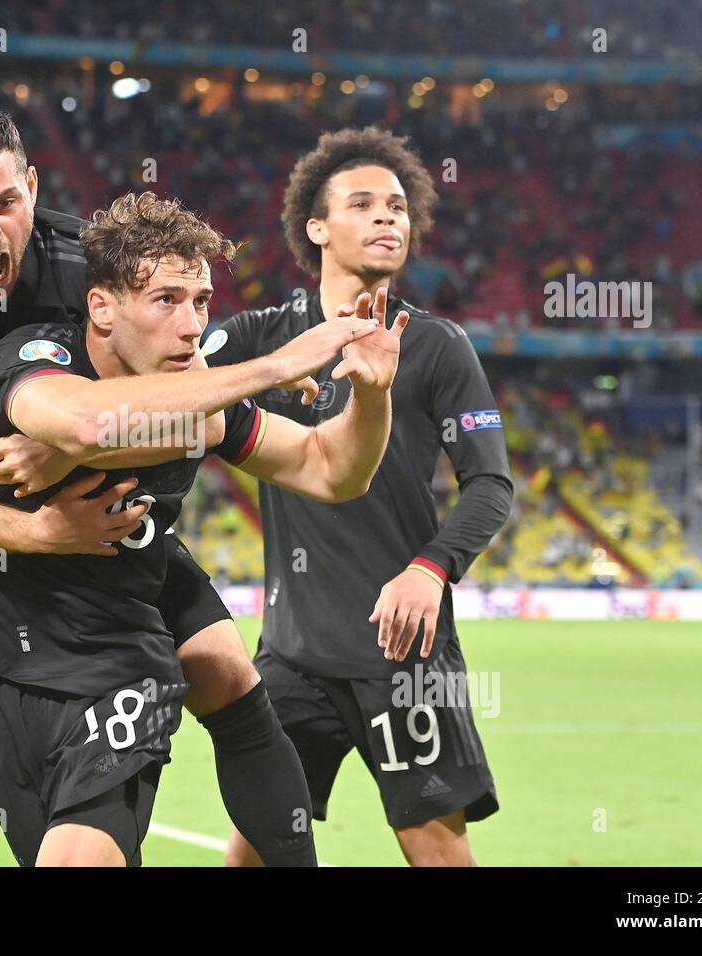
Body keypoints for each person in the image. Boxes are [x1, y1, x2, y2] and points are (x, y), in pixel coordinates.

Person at [0, 103, 328, 866]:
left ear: (32, 185)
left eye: (5, 202)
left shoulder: (89, 263)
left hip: (98, 491)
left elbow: (165, 384)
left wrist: (62, 458)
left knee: (228, 672)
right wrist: (36, 530)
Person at [0, 190, 405, 865]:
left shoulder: (199, 393)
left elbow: (332, 470)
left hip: (125, 640)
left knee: (227, 675)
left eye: (200, 303)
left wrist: (372, 395)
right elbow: (90, 420)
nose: (192, 326)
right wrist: (278, 363)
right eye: (166, 300)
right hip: (6, 647)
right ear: (101, 307)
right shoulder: (34, 360)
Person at [206, 127, 514, 866]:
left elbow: (491, 485)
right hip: (292, 656)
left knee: (436, 852)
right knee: (254, 848)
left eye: (400, 207)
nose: (389, 218)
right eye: (366, 204)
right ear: (317, 228)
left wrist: (430, 567)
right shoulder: (261, 340)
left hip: (403, 653)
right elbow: (165, 383)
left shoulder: (437, 347)